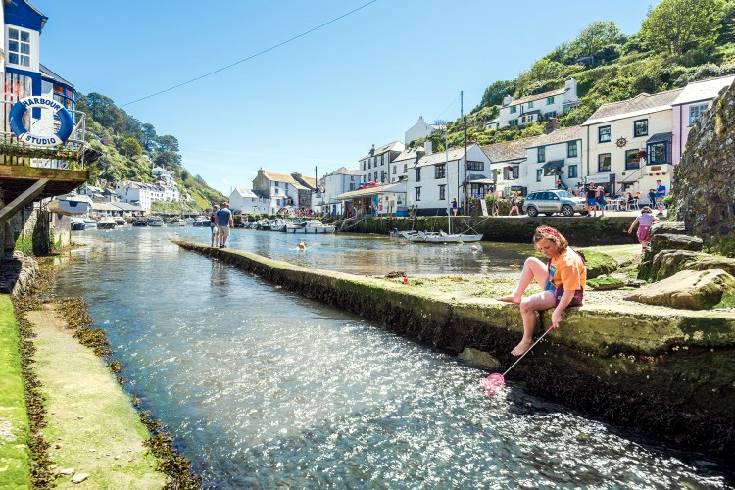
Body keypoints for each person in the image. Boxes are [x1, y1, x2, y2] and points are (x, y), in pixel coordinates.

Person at [498, 226, 586, 356]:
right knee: (530, 261)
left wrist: (558, 311)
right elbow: (553, 270)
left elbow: (570, 292)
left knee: (526, 305)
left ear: (558, 241)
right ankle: (516, 295)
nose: (544, 252)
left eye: (547, 248)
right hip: (555, 283)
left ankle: (527, 340)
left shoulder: (569, 262)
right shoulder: (557, 252)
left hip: (565, 295)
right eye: (540, 249)